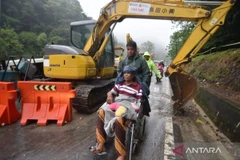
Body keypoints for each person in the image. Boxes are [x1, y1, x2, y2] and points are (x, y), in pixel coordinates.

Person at [90, 65, 145, 160]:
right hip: (118, 103)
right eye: (124, 73)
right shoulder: (119, 84)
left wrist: (132, 116)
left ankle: (121, 155)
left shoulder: (138, 87)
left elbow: (139, 102)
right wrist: (110, 95)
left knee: (119, 120)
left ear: (132, 75)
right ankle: (101, 143)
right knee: (101, 111)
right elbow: (111, 92)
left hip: (128, 105)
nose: (125, 75)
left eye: (128, 73)